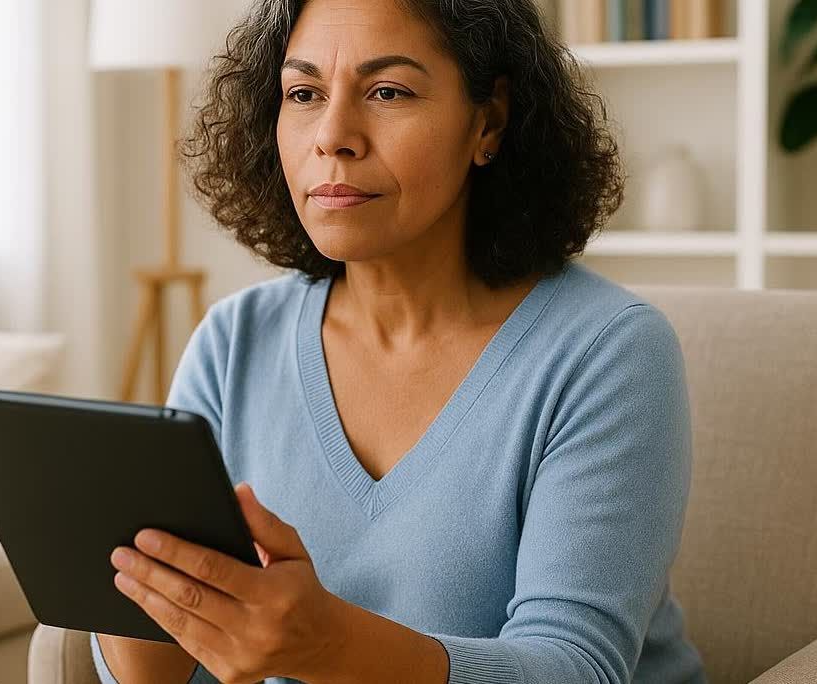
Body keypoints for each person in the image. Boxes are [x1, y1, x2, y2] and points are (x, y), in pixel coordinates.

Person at [92, 0, 707, 681]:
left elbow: (577, 669)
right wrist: (147, 595)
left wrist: (326, 646)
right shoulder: (233, 342)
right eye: (303, 93)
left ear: (489, 121)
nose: (333, 136)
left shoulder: (607, 355)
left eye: (388, 91)